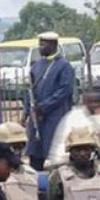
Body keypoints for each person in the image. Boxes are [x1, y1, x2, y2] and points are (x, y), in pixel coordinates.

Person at [24, 32, 75, 170]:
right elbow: (29, 91)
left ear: (53, 45)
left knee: (54, 156)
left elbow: (64, 91)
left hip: (55, 117)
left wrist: (44, 107)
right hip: (37, 119)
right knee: (35, 154)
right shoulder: (36, 66)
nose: (40, 47)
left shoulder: (64, 66)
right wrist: (27, 112)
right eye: (39, 44)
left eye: (43, 44)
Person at [46, 91, 100, 168]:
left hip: (79, 158)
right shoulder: (77, 116)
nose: (95, 104)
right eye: (91, 102)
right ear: (85, 102)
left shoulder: (94, 115)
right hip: (64, 161)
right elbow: (98, 140)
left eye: (97, 102)